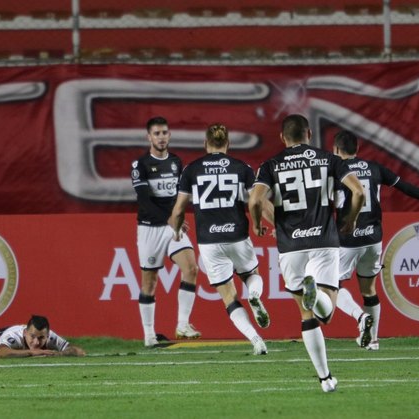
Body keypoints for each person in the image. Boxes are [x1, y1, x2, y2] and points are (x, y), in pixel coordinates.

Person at [248, 114, 365, 393]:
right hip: (324, 240)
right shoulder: (329, 159)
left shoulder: (271, 165)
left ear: (282, 138)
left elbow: (254, 199)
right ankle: (319, 295)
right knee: (327, 312)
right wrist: (352, 218)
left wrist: (257, 223)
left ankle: (325, 379)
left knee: (306, 315)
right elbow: (358, 192)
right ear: (309, 134)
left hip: (291, 247)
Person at [332, 130, 419, 351]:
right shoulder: (374, 168)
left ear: (336, 150)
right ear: (357, 149)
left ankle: (359, 318)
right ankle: (373, 341)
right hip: (374, 239)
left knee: (331, 287)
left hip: (348, 238)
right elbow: (406, 187)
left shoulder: (335, 171)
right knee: (368, 289)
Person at [169, 124, 273, 355]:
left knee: (229, 297)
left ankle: (256, 340)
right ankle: (254, 295)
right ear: (228, 144)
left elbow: (178, 211)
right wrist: (266, 223)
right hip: (237, 235)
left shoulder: (191, 170)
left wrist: (176, 231)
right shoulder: (242, 168)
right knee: (251, 275)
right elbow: (258, 202)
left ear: (205, 144)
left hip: (209, 241)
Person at [131, 116, 201, 347]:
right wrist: (170, 219)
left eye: (164, 133)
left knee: (191, 268)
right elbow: (143, 200)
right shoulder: (140, 165)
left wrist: (177, 218)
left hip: (173, 227)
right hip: (151, 228)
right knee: (149, 284)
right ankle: (149, 336)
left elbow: (179, 196)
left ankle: (182, 323)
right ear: (149, 137)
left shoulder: (176, 162)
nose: (161, 137)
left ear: (169, 135)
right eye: (157, 133)